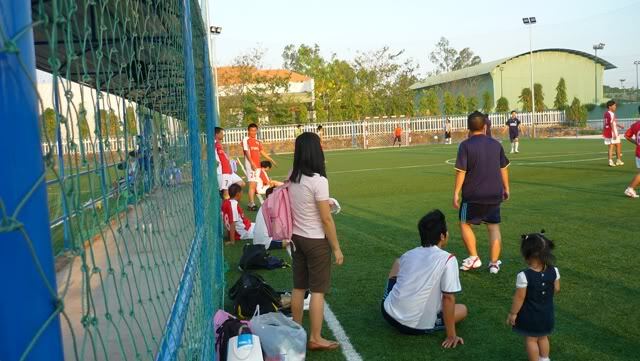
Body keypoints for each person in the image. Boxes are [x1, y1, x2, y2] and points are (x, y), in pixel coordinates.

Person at [288, 132, 343, 351]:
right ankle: (315, 338)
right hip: (315, 240)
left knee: (299, 287)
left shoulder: (292, 175)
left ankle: (296, 332)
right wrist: (336, 248)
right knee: (318, 290)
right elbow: (326, 219)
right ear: (315, 151)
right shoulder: (319, 181)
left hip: (297, 238)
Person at [381, 210, 467, 348]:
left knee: (397, 263)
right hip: (414, 326)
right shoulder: (448, 259)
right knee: (462, 309)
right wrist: (452, 335)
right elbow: (448, 298)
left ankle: (394, 301)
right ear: (442, 236)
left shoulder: (408, 254)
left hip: (388, 313)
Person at [454, 111, 510, 274]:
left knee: (464, 223)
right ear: (485, 126)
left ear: (468, 127)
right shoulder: (496, 144)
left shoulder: (465, 145)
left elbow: (461, 171)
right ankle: (493, 264)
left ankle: (474, 257)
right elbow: (503, 168)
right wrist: (506, 188)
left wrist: (456, 193)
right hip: (494, 193)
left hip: (473, 195)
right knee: (493, 227)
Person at [507, 232, 560, 361]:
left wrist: (513, 314)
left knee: (531, 340)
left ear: (527, 255)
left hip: (530, 316)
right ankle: (545, 358)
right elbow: (557, 289)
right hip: (547, 314)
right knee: (543, 337)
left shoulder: (524, 276)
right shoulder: (555, 270)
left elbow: (520, 297)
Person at [241, 123, 278, 211]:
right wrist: (251, 163)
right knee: (252, 184)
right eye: (251, 130)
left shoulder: (258, 141)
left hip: (257, 166)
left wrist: (271, 160)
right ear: (248, 131)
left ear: (257, 131)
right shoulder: (246, 139)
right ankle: (251, 204)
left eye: (255, 130)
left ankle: (252, 203)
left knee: (254, 184)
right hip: (251, 165)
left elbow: (262, 152)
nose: (253, 132)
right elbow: (246, 152)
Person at [216, 127, 244, 199]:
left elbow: (223, 156)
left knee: (241, 183)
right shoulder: (214, 144)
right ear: (216, 134)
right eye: (221, 133)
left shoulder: (219, 144)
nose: (223, 135)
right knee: (226, 194)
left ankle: (225, 191)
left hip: (228, 170)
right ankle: (227, 204)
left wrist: (231, 161)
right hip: (223, 171)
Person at [623, 107, 640, 198]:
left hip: (638, 152)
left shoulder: (635, 125)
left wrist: (636, 142)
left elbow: (626, 136)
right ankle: (630, 189)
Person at [603, 100, 625, 167]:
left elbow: (612, 122)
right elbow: (611, 123)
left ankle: (616, 160)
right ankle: (613, 161)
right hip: (612, 132)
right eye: (614, 105)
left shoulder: (606, 113)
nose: (615, 107)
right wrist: (615, 134)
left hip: (607, 131)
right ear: (610, 107)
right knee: (614, 146)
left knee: (615, 145)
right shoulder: (611, 114)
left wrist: (619, 126)